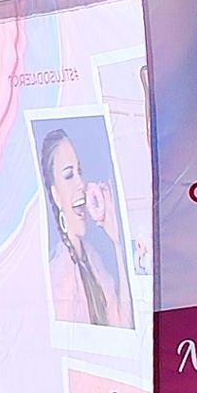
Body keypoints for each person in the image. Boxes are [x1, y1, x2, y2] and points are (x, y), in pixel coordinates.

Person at [37, 125, 131, 328]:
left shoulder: (92, 259)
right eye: (69, 175)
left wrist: (117, 242)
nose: (81, 183)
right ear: (55, 195)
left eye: (79, 171)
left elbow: (123, 324)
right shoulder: (58, 276)